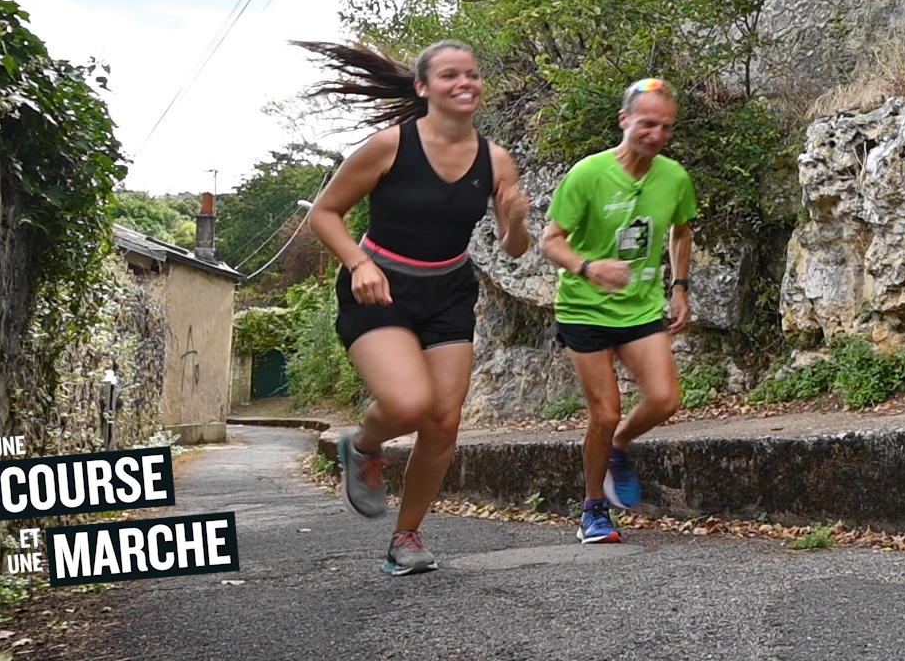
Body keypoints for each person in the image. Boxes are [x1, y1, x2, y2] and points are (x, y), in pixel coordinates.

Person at [298, 39, 531, 575]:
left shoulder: (496, 159)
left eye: (472, 74)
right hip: (379, 287)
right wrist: (358, 263)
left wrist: (515, 219)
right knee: (407, 403)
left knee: (444, 422)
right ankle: (363, 445)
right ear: (423, 87)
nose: (465, 83)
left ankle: (407, 536)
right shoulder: (389, 146)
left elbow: (513, 247)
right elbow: (326, 213)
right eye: (450, 75)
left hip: (448, 291)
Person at [541, 77, 696, 544]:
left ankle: (618, 447)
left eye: (667, 127)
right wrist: (588, 268)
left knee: (666, 399)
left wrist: (681, 287)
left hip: (641, 307)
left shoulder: (674, 177)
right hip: (585, 308)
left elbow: (682, 231)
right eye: (648, 123)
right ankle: (592, 510)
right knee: (604, 414)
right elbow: (552, 242)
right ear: (625, 120)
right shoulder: (587, 174)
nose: (657, 135)